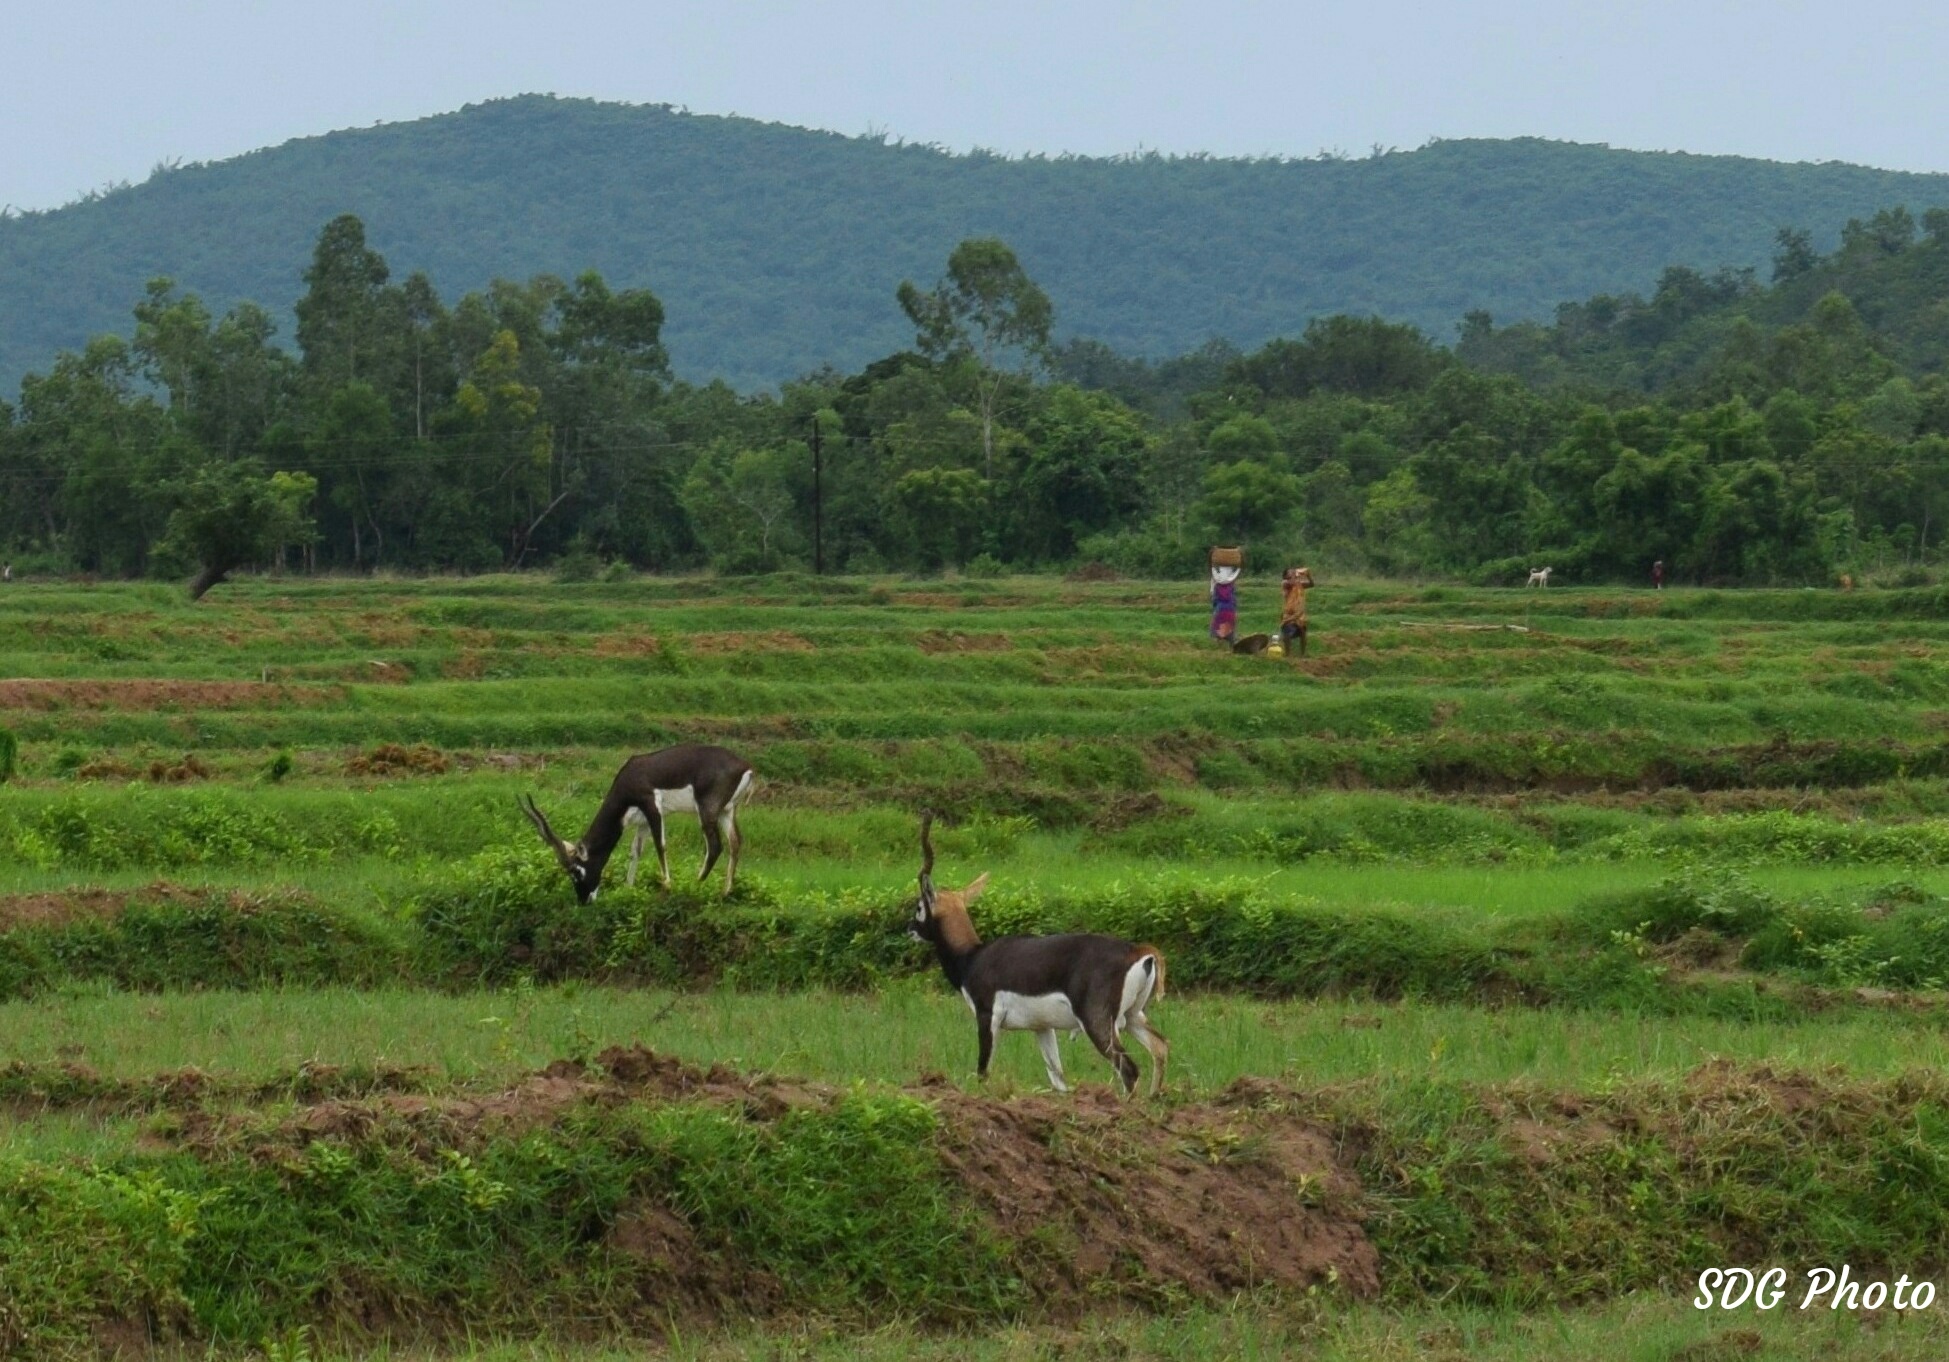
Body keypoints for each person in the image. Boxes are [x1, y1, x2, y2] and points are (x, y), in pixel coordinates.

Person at [1280, 566, 1314, 658]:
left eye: (1293, 572)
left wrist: (1308, 575)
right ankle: (1288, 655)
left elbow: (1311, 584)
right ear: (1286, 576)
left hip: (1299, 614)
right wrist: (1297, 575)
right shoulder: (1285, 583)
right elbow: (1291, 583)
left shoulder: (1299, 584)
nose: (1293, 574)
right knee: (1287, 633)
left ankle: (1302, 654)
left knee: (1303, 632)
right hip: (1289, 614)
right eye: (1290, 573)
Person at [1209, 563, 1239, 644]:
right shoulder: (1231, 586)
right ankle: (1231, 641)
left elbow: (1214, 599)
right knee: (1230, 625)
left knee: (1217, 626)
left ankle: (1218, 642)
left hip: (1220, 608)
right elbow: (1234, 599)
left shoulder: (1217, 587)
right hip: (1230, 609)